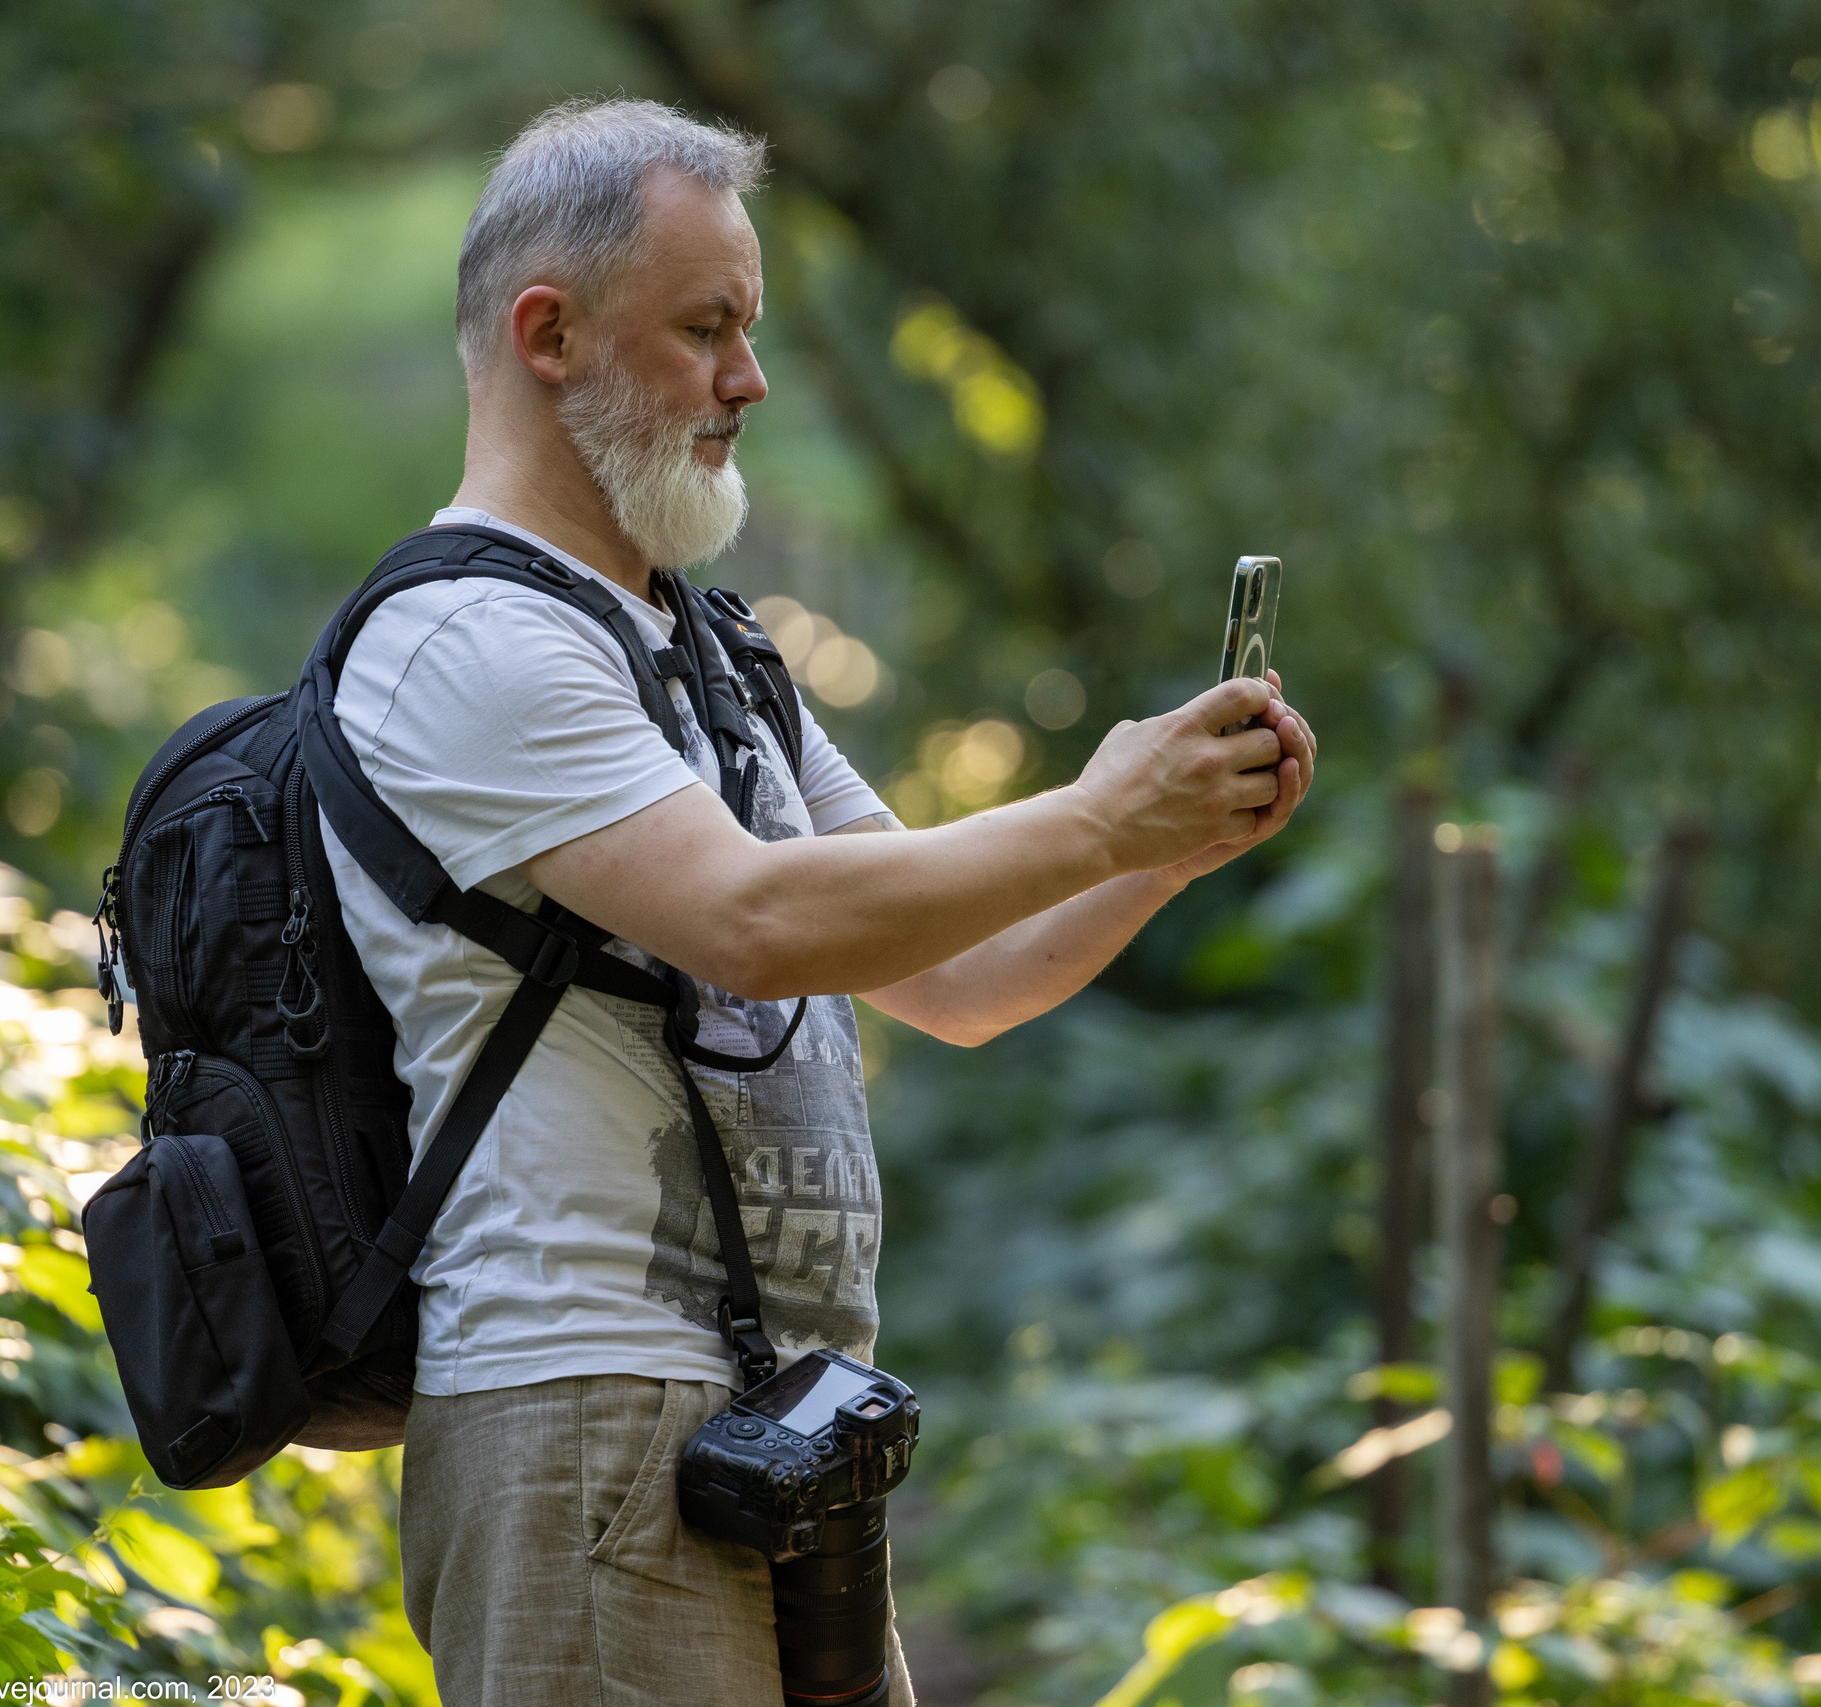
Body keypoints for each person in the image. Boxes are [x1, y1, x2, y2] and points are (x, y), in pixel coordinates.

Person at [322, 97, 1319, 1707]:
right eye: (706, 328)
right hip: (587, 1423)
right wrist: (1093, 808)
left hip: (781, 1433)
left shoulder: (709, 658)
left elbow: (965, 972)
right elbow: (758, 922)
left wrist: (1165, 844)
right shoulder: (469, 645)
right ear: (548, 333)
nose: (750, 382)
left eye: (753, 328)